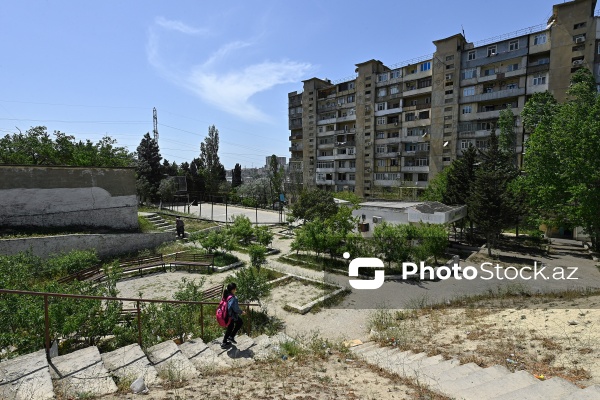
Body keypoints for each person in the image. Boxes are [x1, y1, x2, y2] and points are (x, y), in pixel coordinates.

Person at [221, 282, 244, 348]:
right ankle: (231, 337)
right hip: (231, 316)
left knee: (230, 327)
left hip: (226, 315)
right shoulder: (233, 298)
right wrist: (242, 312)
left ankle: (224, 343)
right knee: (240, 322)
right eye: (235, 289)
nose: (236, 290)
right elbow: (236, 309)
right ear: (233, 290)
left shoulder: (226, 295)